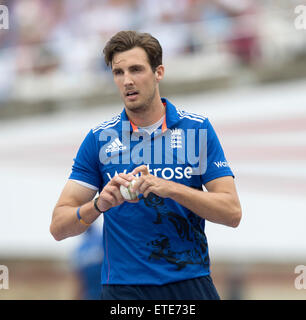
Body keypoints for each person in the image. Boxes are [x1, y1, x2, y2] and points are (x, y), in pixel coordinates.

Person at [50, 30, 242, 300]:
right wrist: (98, 205)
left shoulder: (197, 129)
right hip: (123, 290)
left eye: (136, 69)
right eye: (119, 72)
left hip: (189, 284)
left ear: (158, 72)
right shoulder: (99, 138)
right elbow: (59, 226)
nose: (127, 81)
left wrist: (170, 188)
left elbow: (232, 213)